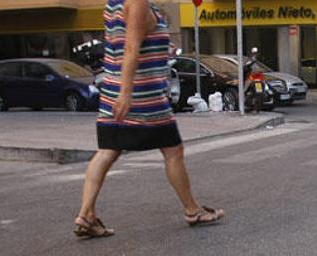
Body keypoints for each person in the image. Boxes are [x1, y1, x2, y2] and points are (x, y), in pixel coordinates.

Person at [74, 0, 223, 238]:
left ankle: (86, 215)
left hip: (113, 89)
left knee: (108, 151)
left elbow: (127, 43)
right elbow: (131, 48)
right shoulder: (138, 2)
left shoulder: (114, 4)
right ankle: (192, 209)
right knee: (173, 150)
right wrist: (126, 92)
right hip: (142, 96)